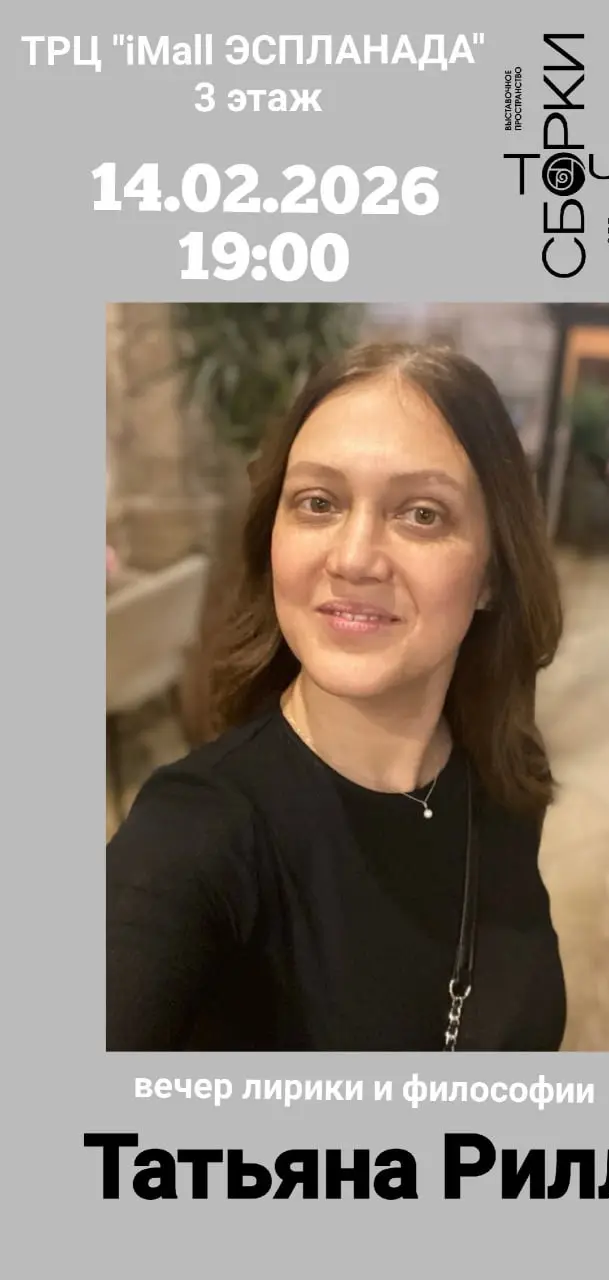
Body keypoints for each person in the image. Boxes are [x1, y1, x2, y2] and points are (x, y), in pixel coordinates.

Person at [107, 341, 567, 1051]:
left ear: (493, 574)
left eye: (421, 514)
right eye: (317, 503)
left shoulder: (504, 779)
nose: (353, 559)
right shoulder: (191, 838)